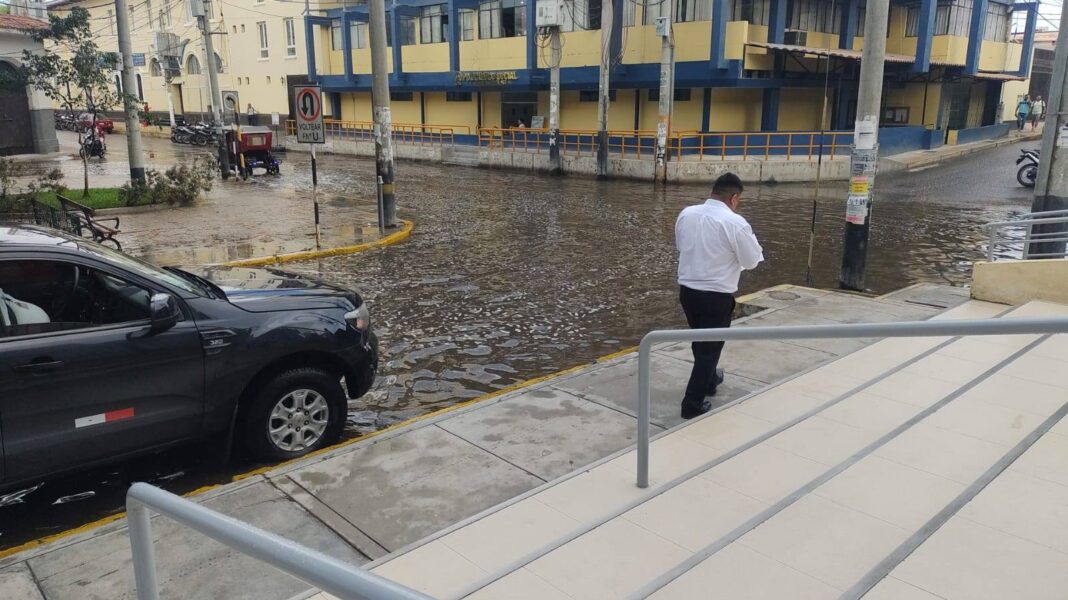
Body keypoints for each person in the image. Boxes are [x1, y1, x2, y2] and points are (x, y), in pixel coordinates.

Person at [675, 173, 764, 420]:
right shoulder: (735, 223)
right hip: (716, 296)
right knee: (709, 350)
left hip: (688, 292)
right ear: (734, 198)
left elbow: (682, 247)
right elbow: (751, 261)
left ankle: (710, 378)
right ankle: (691, 404)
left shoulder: (686, 214)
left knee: (700, 340)